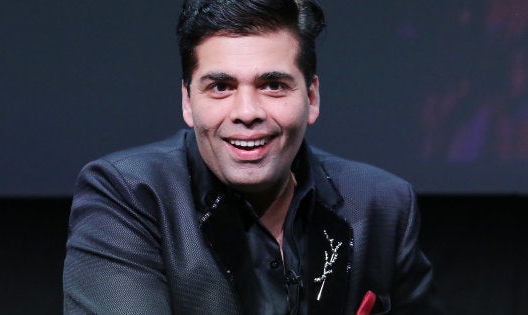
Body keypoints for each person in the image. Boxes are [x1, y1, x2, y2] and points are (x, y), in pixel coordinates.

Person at [63, 0, 444, 314]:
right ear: (187, 101)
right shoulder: (127, 193)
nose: (247, 111)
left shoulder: (381, 204)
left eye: (273, 85)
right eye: (221, 87)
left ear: (311, 98)